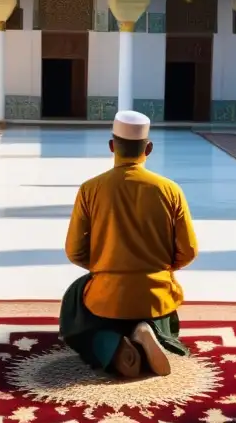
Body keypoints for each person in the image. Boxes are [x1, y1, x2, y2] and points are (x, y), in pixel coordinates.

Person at [60, 110, 198, 379]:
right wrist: (160, 267)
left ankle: (112, 347)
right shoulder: (170, 190)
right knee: (162, 312)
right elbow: (189, 250)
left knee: (76, 304)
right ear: (148, 148)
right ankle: (148, 332)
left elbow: (74, 250)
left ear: (112, 146)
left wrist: (105, 265)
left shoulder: (90, 189)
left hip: (106, 293)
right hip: (155, 291)